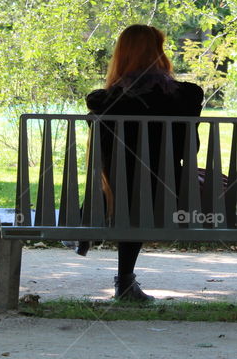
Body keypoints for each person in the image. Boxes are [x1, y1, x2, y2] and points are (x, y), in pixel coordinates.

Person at [84, 24, 204, 303]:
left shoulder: (104, 101)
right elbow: (191, 149)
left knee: (130, 188)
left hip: (121, 195)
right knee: (205, 181)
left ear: (121, 56)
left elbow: (105, 156)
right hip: (171, 193)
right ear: (158, 53)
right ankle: (125, 283)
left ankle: (122, 277)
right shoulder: (187, 95)